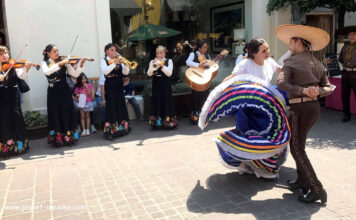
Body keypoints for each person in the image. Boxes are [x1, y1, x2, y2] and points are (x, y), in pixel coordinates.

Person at [202, 38, 287, 180]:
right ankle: (253, 166)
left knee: (263, 137)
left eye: (268, 49)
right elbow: (230, 79)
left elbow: (280, 70)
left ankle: (252, 165)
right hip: (248, 109)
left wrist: (294, 69)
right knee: (249, 136)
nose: (268, 53)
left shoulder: (269, 62)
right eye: (264, 51)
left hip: (265, 108)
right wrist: (217, 92)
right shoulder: (245, 64)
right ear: (254, 53)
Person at [276, 24, 333, 203]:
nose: (289, 47)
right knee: (299, 145)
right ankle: (302, 181)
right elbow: (328, 87)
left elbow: (281, 83)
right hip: (313, 109)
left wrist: (302, 91)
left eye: (291, 43)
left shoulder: (291, 62)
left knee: (297, 148)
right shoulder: (317, 63)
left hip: (299, 109)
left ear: (299, 43)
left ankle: (317, 189)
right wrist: (316, 91)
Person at [42, 44, 86, 147]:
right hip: (53, 91)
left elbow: (74, 74)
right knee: (55, 112)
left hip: (64, 89)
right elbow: (47, 72)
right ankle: (58, 139)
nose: (57, 53)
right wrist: (60, 63)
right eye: (54, 51)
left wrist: (81, 64)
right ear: (48, 53)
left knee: (67, 111)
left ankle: (68, 137)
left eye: (57, 51)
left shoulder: (64, 62)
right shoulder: (45, 63)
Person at [0, 45, 32, 156]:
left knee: (16, 116)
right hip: (1, 96)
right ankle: (7, 148)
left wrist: (27, 68)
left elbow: (22, 76)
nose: (4, 56)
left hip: (13, 94)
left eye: (6, 53)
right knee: (4, 119)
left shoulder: (14, 65)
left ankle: (20, 145)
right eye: (1, 54)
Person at [100, 43, 131, 141]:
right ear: (106, 51)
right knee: (112, 107)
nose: (114, 52)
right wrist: (115, 63)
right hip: (110, 86)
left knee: (120, 106)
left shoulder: (119, 60)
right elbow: (105, 71)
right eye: (112, 50)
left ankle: (121, 129)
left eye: (115, 50)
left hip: (119, 85)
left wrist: (125, 64)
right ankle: (111, 131)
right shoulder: (103, 60)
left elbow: (126, 73)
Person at [147, 46, 177, 129]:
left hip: (165, 83)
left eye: (161, 53)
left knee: (166, 100)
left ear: (164, 53)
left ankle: (168, 122)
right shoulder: (152, 61)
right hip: (156, 83)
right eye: (157, 53)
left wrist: (162, 66)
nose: (159, 55)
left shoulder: (169, 61)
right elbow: (149, 74)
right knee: (157, 101)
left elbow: (169, 74)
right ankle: (157, 123)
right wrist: (154, 65)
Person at [186, 40, 211, 124]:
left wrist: (217, 60)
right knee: (196, 98)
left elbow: (211, 65)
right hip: (196, 79)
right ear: (199, 48)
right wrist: (198, 65)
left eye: (206, 47)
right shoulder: (193, 54)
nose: (206, 49)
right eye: (204, 47)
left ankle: (204, 117)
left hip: (205, 79)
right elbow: (188, 62)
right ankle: (196, 118)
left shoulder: (207, 55)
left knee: (205, 97)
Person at [337, 26, 356, 122]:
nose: (351, 36)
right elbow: (340, 59)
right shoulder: (345, 46)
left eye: (353, 34)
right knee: (344, 95)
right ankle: (346, 115)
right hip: (345, 73)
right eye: (350, 34)